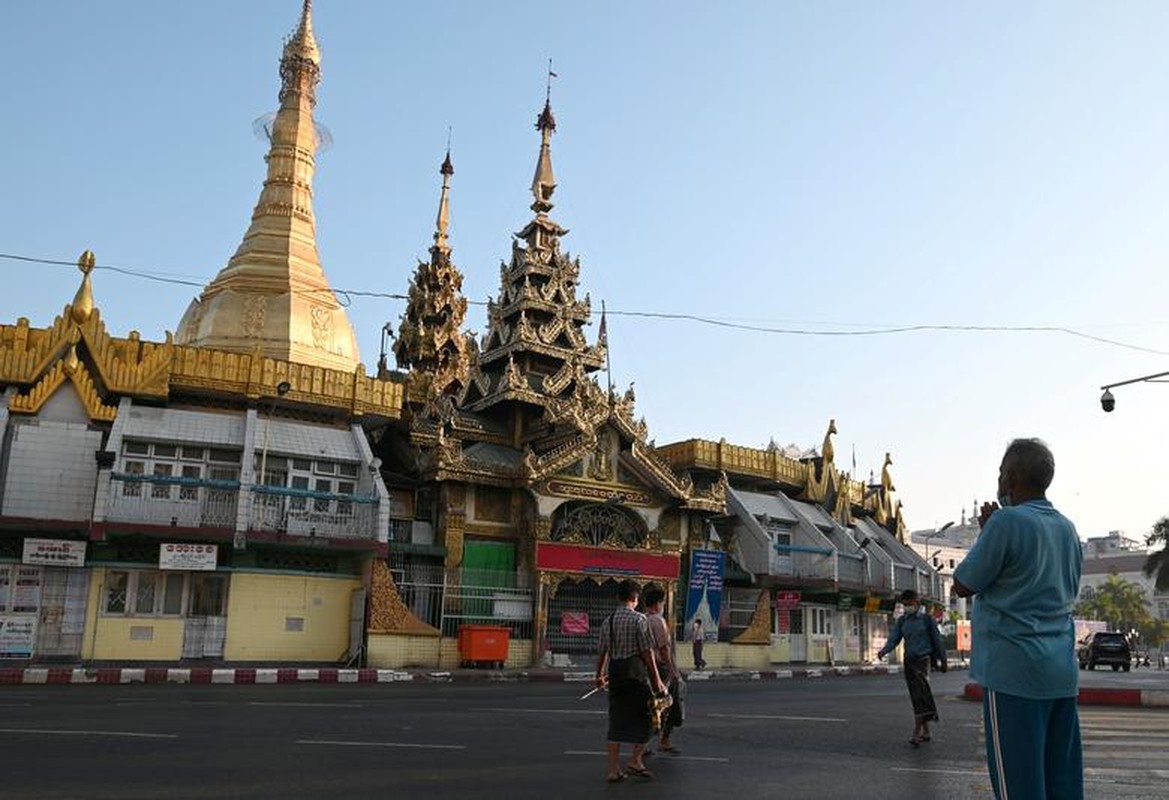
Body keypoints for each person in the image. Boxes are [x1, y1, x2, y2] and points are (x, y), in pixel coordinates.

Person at [954, 438, 1083, 800]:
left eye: (1000, 473)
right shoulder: (1067, 528)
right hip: (1061, 672)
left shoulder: (1006, 522)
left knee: (1020, 788)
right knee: (1062, 784)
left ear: (1009, 478)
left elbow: (963, 583)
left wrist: (988, 533)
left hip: (1015, 672)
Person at [596, 579, 667, 783]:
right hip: (635, 675)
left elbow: (602, 652)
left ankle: (613, 769)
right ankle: (636, 759)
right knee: (651, 717)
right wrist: (657, 681)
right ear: (635, 598)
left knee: (616, 722)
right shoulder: (639, 620)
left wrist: (599, 676)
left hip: (616, 675)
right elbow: (647, 654)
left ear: (619, 597)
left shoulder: (608, 621)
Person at [877, 589, 947, 746]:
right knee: (918, 696)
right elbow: (894, 639)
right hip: (909, 661)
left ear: (917, 603)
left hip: (923, 661)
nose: (907, 607)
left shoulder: (927, 620)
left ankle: (916, 732)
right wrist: (884, 651)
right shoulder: (903, 621)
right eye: (905, 604)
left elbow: (937, 641)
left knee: (920, 695)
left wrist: (944, 661)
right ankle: (927, 731)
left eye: (910, 604)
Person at [641, 585, 684, 756]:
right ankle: (663, 739)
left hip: (647, 668)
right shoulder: (658, 621)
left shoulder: (642, 619)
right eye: (663, 603)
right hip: (661, 668)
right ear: (658, 604)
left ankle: (643, 744)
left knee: (652, 705)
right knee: (669, 704)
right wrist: (674, 671)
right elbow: (664, 649)